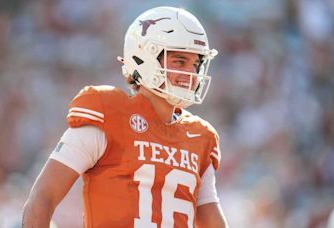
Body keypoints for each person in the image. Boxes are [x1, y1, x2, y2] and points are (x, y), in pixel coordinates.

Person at [23, 6, 228, 228]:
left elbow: (211, 219)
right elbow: (42, 198)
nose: (191, 73)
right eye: (179, 61)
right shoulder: (108, 113)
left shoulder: (200, 136)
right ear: (145, 57)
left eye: (196, 64)